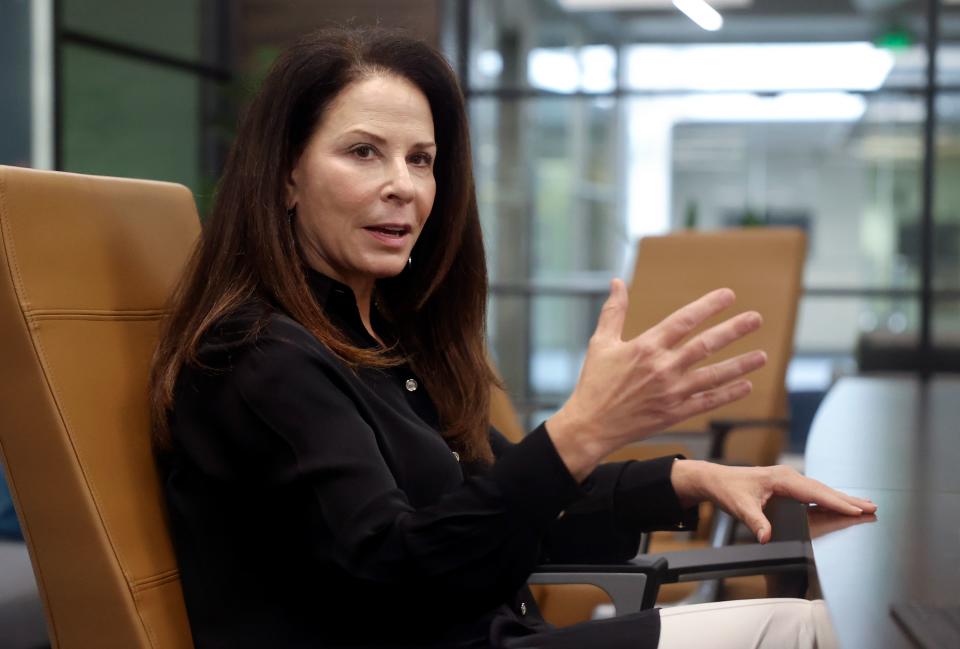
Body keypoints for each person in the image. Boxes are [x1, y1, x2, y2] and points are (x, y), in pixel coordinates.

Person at [149, 27, 875, 649]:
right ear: (285, 178)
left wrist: (692, 478)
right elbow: (398, 573)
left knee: (822, 624)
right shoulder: (260, 360)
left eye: (421, 158)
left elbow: (510, 509)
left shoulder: (381, 342)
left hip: (505, 633)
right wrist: (577, 435)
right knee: (815, 631)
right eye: (364, 152)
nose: (404, 184)